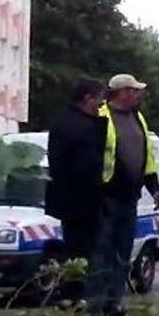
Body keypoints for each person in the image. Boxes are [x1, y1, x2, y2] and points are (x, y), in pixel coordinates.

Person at [89, 73, 159, 316]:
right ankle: (96, 303)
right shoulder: (101, 116)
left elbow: (147, 157)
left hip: (130, 196)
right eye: (134, 91)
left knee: (122, 251)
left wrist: (154, 187)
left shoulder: (137, 118)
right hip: (106, 195)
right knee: (102, 250)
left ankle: (114, 301)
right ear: (122, 93)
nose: (138, 95)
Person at [45, 77, 108, 301]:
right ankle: (75, 296)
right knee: (81, 250)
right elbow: (85, 165)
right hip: (81, 201)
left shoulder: (68, 122)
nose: (102, 105)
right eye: (99, 100)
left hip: (76, 200)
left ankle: (75, 296)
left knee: (80, 249)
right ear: (87, 98)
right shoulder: (78, 126)